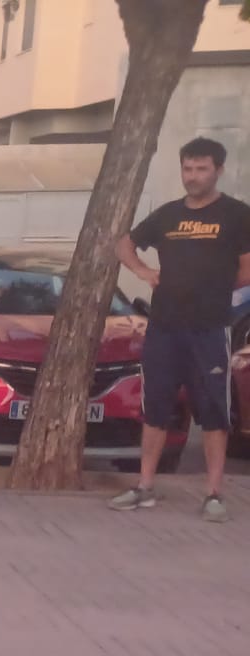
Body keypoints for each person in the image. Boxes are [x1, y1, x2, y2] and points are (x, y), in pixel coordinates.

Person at [112, 136, 250, 522]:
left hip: (209, 329)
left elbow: (246, 268)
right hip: (164, 328)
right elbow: (124, 245)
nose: (193, 176)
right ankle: (144, 487)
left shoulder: (237, 214)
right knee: (155, 409)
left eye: (201, 169)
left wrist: (214, 289)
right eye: (187, 169)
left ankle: (214, 494)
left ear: (218, 170)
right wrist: (143, 271)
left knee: (213, 412)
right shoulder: (168, 215)